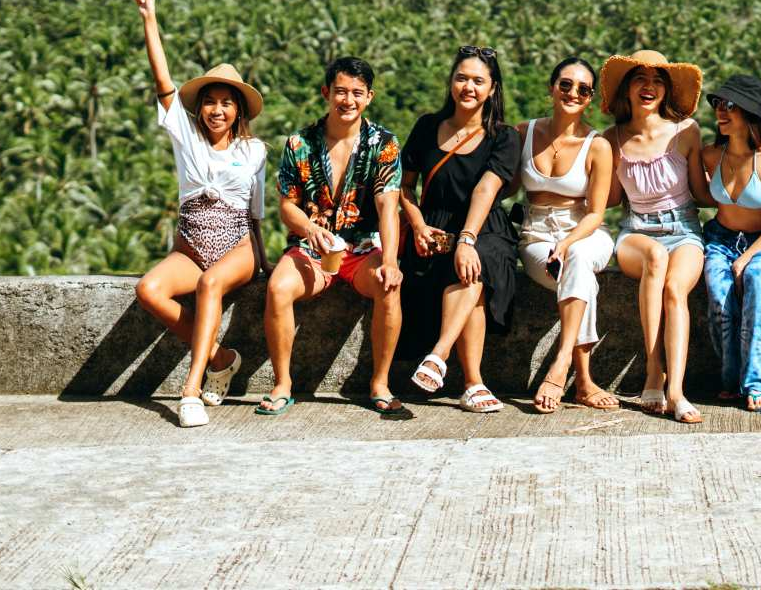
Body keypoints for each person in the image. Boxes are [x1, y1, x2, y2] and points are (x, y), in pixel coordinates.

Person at [131, 0, 267, 429]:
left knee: (211, 285)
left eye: (227, 103)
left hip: (237, 245)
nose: (217, 110)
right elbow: (162, 80)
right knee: (148, 290)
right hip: (190, 243)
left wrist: (261, 260)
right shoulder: (185, 136)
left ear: (238, 111)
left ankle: (190, 391)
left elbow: (256, 212)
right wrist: (150, 19)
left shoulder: (256, 151)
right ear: (200, 108)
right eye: (210, 102)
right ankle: (221, 357)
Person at [259, 56, 406, 418]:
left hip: (361, 249)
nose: (348, 100)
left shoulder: (382, 143)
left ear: (369, 96)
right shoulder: (300, 143)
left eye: (357, 93)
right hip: (312, 249)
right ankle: (282, 384)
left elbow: (389, 206)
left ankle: (380, 383)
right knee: (278, 289)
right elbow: (287, 207)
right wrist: (310, 229)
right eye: (341, 91)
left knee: (389, 286)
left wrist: (389, 261)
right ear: (327, 93)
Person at [399, 45, 522, 413]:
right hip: (433, 226)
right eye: (462, 78)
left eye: (478, 81)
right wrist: (418, 224)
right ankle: (473, 383)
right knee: (473, 285)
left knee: (475, 263)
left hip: (484, 225)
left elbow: (487, 189)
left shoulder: (504, 136)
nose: (468, 87)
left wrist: (467, 239)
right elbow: (404, 186)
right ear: (451, 82)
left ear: (493, 88)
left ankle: (439, 354)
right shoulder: (426, 127)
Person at [602, 49, 710, 424]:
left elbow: (702, 192)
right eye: (639, 78)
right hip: (636, 232)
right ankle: (653, 369)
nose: (648, 87)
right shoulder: (611, 138)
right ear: (627, 89)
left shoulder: (686, 131)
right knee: (655, 258)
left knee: (675, 290)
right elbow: (611, 200)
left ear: (666, 90)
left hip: (683, 229)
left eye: (657, 80)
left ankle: (676, 390)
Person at [512, 57, 617, 414]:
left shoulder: (598, 145)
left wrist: (568, 242)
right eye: (566, 85)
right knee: (580, 274)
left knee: (578, 258)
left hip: (586, 234)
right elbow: (500, 186)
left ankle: (559, 366)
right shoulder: (523, 133)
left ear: (590, 99)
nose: (573, 93)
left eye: (583, 89)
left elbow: (597, 213)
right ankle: (585, 383)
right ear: (551, 88)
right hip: (537, 236)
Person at [699, 75, 761, 413]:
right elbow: (696, 195)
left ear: (751, 113)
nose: (720, 112)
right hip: (720, 239)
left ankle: (757, 383)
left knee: (754, 280)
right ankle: (730, 378)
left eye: (730, 106)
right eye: (718, 105)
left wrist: (748, 256)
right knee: (719, 294)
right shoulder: (711, 156)